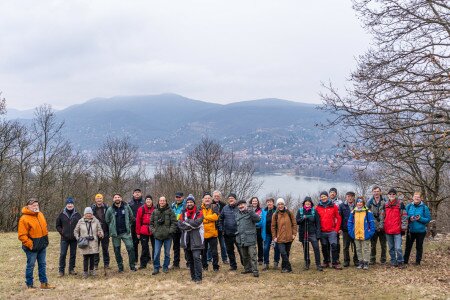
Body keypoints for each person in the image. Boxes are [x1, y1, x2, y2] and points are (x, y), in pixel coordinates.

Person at [18, 198, 55, 289]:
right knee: (31, 265)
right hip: (32, 247)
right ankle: (29, 284)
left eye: (37, 205)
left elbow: (45, 228)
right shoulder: (24, 218)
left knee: (42, 264)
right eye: (33, 205)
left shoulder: (40, 214)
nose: (35, 207)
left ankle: (44, 283)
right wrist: (31, 244)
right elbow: (22, 235)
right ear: (28, 206)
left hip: (42, 245)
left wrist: (46, 240)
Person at [105, 193, 137, 272]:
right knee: (117, 250)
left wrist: (129, 225)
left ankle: (132, 266)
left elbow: (131, 217)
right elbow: (107, 220)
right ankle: (120, 267)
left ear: (121, 198)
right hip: (115, 234)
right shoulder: (110, 209)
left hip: (125, 233)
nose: (117, 198)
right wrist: (112, 227)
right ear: (113, 199)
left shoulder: (126, 207)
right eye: (115, 197)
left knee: (131, 248)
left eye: (118, 197)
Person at [178, 195, 204, 283]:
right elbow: (180, 224)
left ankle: (199, 278)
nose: (189, 204)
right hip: (186, 240)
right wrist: (190, 224)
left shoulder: (199, 212)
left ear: (194, 203)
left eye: (191, 202)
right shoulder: (182, 213)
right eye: (188, 202)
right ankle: (193, 277)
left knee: (196, 258)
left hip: (196, 239)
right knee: (190, 260)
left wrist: (187, 223)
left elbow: (197, 223)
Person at [150, 196, 177, 275]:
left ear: (166, 202)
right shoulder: (154, 211)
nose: (162, 202)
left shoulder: (170, 211)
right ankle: (156, 268)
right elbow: (151, 224)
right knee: (156, 253)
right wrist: (154, 231)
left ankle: (165, 267)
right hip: (157, 236)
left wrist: (170, 231)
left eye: (163, 201)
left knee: (167, 253)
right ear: (158, 202)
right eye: (160, 201)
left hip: (167, 236)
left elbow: (174, 222)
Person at [381, 188, 408, 268]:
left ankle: (400, 261)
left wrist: (403, 227)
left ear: (396, 195)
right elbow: (382, 216)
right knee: (391, 248)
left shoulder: (400, 204)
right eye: (390, 194)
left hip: (397, 230)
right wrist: (381, 225)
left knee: (398, 248)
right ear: (388, 195)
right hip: (388, 229)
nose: (391, 195)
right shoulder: (385, 205)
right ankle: (393, 261)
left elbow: (404, 216)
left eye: (393, 194)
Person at [74, 207, 104, 278]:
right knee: (85, 257)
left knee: (92, 257)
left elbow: (100, 229)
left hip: (93, 241)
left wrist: (100, 234)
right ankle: (85, 272)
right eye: (87, 213)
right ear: (84, 214)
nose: (88, 215)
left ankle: (91, 270)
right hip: (84, 242)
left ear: (92, 214)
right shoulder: (80, 221)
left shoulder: (96, 221)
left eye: (90, 213)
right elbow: (75, 231)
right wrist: (78, 238)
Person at [316, 191, 342, 269]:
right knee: (324, 247)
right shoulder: (318, 208)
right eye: (322, 197)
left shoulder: (333, 206)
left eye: (324, 196)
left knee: (334, 246)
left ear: (327, 197)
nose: (323, 198)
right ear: (320, 198)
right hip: (322, 231)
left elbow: (339, 218)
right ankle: (326, 261)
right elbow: (316, 220)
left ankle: (334, 263)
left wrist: (336, 229)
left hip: (332, 231)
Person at [56, 197, 81, 276]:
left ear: (73, 205)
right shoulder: (61, 214)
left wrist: (78, 234)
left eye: (71, 204)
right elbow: (57, 225)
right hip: (64, 238)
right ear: (66, 205)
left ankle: (71, 269)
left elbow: (81, 225)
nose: (70, 205)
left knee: (73, 254)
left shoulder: (77, 214)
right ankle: (61, 270)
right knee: (63, 254)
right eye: (68, 204)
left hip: (74, 238)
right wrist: (62, 232)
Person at [348, 198, 375, 270]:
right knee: (358, 249)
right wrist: (351, 232)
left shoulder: (367, 212)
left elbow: (372, 223)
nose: (359, 204)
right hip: (356, 234)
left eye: (361, 202)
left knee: (366, 249)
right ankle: (360, 262)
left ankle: (366, 262)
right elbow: (350, 223)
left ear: (363, 203)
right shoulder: (353, 212)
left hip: (365, 234)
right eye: (358, 202)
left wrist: (370, 233)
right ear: (356, 203)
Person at [404, 192, 431, 265]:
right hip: (411, 230)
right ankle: (405, 261)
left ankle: (417, 262)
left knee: (419, 247)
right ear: (412, 198)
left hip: (421, 231)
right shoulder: (408, 206)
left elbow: (428, 219)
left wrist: (420, 218)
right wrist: (409, 218)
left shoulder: (424, 207)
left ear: (421, 198)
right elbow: (404, 217)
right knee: (408, 246)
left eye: (418, 197)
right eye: (415, 197)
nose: (416, 198)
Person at [296, 197, 323, 271]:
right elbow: (297, 221)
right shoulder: (300, 211)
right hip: (304, 233)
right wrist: (303, 219)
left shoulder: (314, 211)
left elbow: (318, 223)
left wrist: (318, 234)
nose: (307, 204)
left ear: (311, 203)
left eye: (309, 202)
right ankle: (307, 263)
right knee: (306, 249)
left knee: (316, 248)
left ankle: (318, 264)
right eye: (306, 202)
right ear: (304, 203)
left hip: (312, 233)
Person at [236, 199, 261, 277]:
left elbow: (258, 219)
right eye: (239, 205)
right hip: (241, 238)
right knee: (244, 256)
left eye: (242, 204)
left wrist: (251, 213)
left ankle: (255, 271)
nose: (241, 206)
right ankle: (247, 269)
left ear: (245, 205)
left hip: (250, 238)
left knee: (252, 255)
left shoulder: (251, 212)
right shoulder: (237, 214)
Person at [271, 198, 297, 273]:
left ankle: (284, 268)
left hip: (289, 237)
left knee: (287, 252)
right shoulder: (275, 214)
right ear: (277, 205)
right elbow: (273, 227)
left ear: (284, 204)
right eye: (278, 204)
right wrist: (274, 237)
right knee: (283, 252)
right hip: (279, 237)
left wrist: (294, 234)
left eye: (281, 204)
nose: (280, 206)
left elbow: (294, 224)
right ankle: (289, 267)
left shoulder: (289, 212)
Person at [219, 193, 242, 271]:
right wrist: (221, 229)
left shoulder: (239, 207)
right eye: (229, 198)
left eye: (232, 198)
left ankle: (245, 264)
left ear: (235, 199)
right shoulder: (225, 208)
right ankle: (233, 266)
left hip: (238, 234)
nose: (231, 199)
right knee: (230, 251)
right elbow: (220, 219)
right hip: (227, 234)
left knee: (241, 250)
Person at [366, 186, 387, 265]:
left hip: (383, 226)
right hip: (373, 226)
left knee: (383, 245)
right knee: (373, 245)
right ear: (372, 192)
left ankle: (383, 259)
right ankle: (372, 259)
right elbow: (366, 213)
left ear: (380, 192)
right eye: (374, 191)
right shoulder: (369, 202)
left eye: (377, 191)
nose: (376, 193)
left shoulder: (385, 201)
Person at [135, 194, 156, 269]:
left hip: (154, 230)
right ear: (145, 201)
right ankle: (143, 264)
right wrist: (138, 232)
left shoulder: (155, 208)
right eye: (147, 200)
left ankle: (156, 263)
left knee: (155, 247)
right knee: (144, 248)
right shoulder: (141, 209)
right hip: (143, 230)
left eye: (149, 200)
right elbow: (138, 221)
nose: (148, 201)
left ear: (152, 201)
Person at [338, 192, 358, 267]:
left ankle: (356, 260)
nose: (350, 198)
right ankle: (346, 260)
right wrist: (340, 228)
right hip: (345, 229)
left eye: (351, 196)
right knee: (346, 246)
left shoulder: (357, 205)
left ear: (354, 198)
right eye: (348, 196)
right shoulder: (342, 206)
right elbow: (340, 218)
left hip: (355, 229)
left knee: (356, 245)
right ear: (346, 197)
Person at [260, 198, 280, 271]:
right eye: (268, 202)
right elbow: (261, 221)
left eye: (270, 202)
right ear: (266, 203)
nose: (269, 203)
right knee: (265, 248)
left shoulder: (277, 211)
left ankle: (276, 263)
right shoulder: (264, 211)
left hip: (275, 234)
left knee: (277, 248)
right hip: (267, 233)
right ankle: (266, 264)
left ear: (273, 203)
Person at [201, 192, 220, 271]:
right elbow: (199, 219)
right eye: (205, 198)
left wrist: (205, 217)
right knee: (203, 252)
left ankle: (215, 266)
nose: (207, 199)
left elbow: (215, 217)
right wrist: (209, 219)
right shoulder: (200, 208)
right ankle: (204, 266)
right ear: (203, 200)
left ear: (211, 199)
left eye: (209, 198)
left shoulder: (214, 206)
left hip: (213, 233)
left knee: (214, 252)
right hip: (202, 233)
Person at [91, 193, 110, 270]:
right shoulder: (92, 209)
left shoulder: (107, 208)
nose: (99, 200)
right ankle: (95, 264)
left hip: (105, 231)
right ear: (95, 200)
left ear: (103, 199)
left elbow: (110, 219)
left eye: (100, 198)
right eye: (98, 199)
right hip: (95, 232)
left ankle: (106, 264)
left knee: (105, 248)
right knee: (95, 248)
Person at [128, 188, 144, 267]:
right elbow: (128, 215)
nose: (137, 194)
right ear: (133, 194)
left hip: (143, 225)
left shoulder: (144, 203)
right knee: (134, 243)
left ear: (141, 194)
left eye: (138, 192)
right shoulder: (129, 203)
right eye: (135, 192)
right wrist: (134, 220)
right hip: (133, 225)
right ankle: (135, 259)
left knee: (144, 243)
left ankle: (146, 259)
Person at [212, 190, 229, 264]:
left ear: (220, 197)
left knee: (223, 245)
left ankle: (224, 259)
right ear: (213, 196)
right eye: (215, 196)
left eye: (218, 196)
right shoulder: (210, 204)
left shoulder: (224, 205)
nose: (216, 197)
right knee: (211, 246)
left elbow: (226, 216)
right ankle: (210, 259)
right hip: (212, 227)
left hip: (221, 227)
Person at [171, 191, 186, 269]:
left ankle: (189, 263)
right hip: (175, 227)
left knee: (185, 245)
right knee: (176, 246)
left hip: (183, 227)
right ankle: (176, 264)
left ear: (182, 197)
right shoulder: (173, 205)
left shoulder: (186, 205)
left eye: (179, 197)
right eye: (177, 197)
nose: (178, 198)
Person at [329, 187, 342, 259]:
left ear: (336, 194)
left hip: (336, 226)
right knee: (328, 243)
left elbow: (341, 216)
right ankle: (329, 258)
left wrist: (340, 227)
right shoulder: (326, 201)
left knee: (336, 243)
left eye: (334, 192)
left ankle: (336, 258)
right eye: (331, 192)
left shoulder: (340, 203)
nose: (332, 193)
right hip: (328, 226)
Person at [249, 197, 264, 265]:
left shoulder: (261, 210)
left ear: (258, 202)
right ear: (251, 202)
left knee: (260, 244)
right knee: (252, 245)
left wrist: (255, 223)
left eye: (256, 201)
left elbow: (261, 219)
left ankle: (260, 259)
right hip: (250, 229)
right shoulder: (248, 209)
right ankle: (252, 258)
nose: (254, 202)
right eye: (253, 201)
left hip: (259, 229)